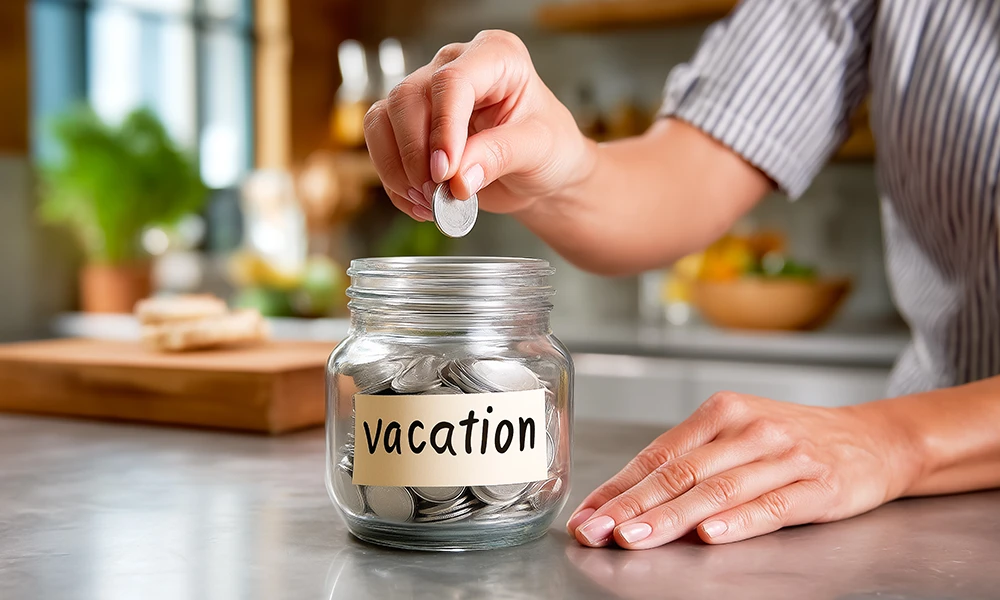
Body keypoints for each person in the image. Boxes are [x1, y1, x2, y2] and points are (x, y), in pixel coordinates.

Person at [363, 0, 1000, 550]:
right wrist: (563, 167)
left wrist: (896, 438)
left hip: (903, 464)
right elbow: (689, 175)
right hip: (912, 509)